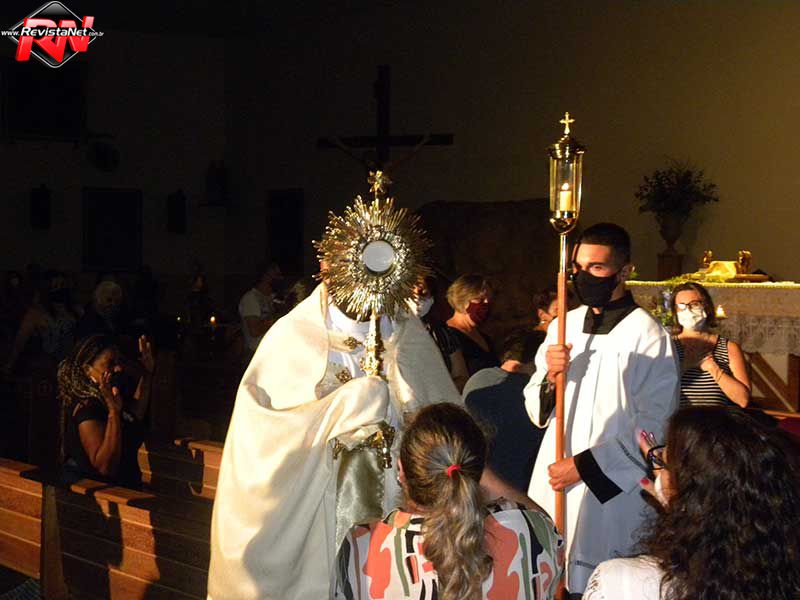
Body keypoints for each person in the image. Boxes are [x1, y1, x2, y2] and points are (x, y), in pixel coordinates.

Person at [208, 277, 464, 600]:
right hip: (320, 524)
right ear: (327, 266)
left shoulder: (406, 333)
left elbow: (449, 430)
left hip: (401, 515)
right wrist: (346, 407)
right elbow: (263, 442)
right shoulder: (293, 337)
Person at [524, 222, 679, 596]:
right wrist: (551, 378)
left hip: (608, 486)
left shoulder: (648, 336)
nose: (584, 276)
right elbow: (535, 402)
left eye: (597, 267)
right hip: (555, 471)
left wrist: (583, 467)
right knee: (548, 576)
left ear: (624, 272)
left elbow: (655, 424)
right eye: (578, 267)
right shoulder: (564, 326)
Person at [335, 403, 564, 600]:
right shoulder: (531, 529)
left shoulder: (362, 545)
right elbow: (551, 530)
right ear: (478, 468)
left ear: (401, 470)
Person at [584, 406, 800, 600]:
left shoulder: (620, 582)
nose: (656, 471)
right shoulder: (779, 581)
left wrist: (678, 516)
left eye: (662, 461)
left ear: (689, 497)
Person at [56, 334, 154, 488]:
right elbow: (104, 467)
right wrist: (113, 412)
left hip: (126, 489)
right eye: (110, 363)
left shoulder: (109, 395)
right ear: (87, 370)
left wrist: (147, 373)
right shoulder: (87, 408)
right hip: (103, 496)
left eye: (119, 362)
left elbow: (134, 415)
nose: (118, 368)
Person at [463, 328, 546, 492]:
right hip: (522, 489)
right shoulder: (532, 396)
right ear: (537, 361)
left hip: (477, 486)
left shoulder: (477, 379)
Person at [670, 282, 750, 408]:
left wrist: (712, 368)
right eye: (681, 306)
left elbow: (743, 400)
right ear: (675, 311)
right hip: (678, 419)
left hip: (716, 419)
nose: (688, 310)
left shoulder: (729, 348)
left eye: (694, 304)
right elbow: (654, 391)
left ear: (706, 307)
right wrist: (685, 366)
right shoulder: (668, 346)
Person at [3, 270, 79, 375]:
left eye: (62, 285)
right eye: (55, 286)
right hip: (47, 366)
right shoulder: (36, 313)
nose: (59, 289)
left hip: (70, 364)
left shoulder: (75, 311)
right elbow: (20, 341)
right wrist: (10, 364)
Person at [412, 276, 469, 391]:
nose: (417, 297)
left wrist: (440, 392)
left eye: (424, 293)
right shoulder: (388, 333)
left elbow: (462, 377)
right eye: (411, 291)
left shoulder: (442, 333)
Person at [445, 274, 499, 375]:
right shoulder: (447, 336)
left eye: (489, 300)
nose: (486, 304)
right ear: (462, 300)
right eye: (480, 299)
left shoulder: (484, 338)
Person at [238, 261, 282, 359]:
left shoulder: (273, 298)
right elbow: (254, 331)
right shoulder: (251, 298)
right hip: (256, 355)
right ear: (265, 276)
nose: (280, 278)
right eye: (276, 274)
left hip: (273, 353)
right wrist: (278, 317)